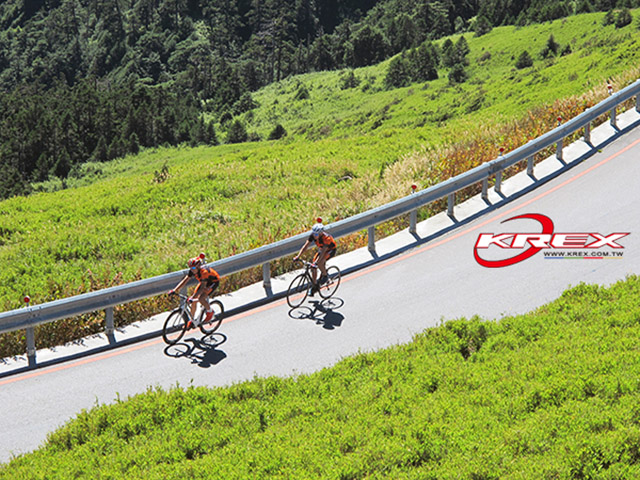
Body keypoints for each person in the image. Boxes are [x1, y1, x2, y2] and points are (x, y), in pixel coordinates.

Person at [169, 253, 220, 326]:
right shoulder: (193, 270)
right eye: (190, 268)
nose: (191, 270)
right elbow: (185, 280)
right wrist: (174, 290)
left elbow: (202, 288)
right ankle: (192, 320)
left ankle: (210, 312)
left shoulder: (204, 272)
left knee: (201, 298)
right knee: (193, 301)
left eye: (193, 268)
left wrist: (192, 298)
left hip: (212, 283)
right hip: (203, 282)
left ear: (198, 267)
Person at [294, 223, 337, 294]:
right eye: (313, 234)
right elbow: (305, 246)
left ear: (321, 233)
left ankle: (325, 275)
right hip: (321, 249)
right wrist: (298, 256)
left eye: (316, 234)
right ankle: (314, 286)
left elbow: (323, 253)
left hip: (330, 250)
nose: (314, 236)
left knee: (319, 263)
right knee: (313, 267)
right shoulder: (313, 236)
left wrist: (316, 263)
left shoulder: (326, 239)